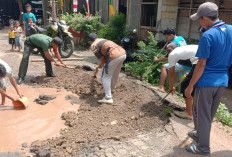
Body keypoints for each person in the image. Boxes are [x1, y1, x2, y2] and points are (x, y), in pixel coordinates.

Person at [185, 2, 232, 155]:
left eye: (200, 19)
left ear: (205, 18)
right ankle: (200, 134)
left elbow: (201, 64)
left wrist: (190, 86)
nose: (200, 22)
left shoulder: (208, 35)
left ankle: (202, 147)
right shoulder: (231, 30)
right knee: (208, 113)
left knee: (202, 113)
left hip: (206, 82)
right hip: (223, 79)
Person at [88, 33, 126, 104]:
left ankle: (108, 98)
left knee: (105, 77)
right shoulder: (102, 40)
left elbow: (103, 61)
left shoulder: (93, 45)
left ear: (90, 41)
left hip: (114, 56)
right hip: (123, 54)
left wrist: (99, 68)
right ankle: (112, 89)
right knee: (115, 73)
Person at [165, 43, 198, 120]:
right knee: (196, 87)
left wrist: (171, 87)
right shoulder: (183, 49)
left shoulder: (172, 54)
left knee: (185, 85)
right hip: (210, 60)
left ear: (169, 51)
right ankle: (193, 111)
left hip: (200, 62)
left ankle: (189, 113)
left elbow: (171, 72)